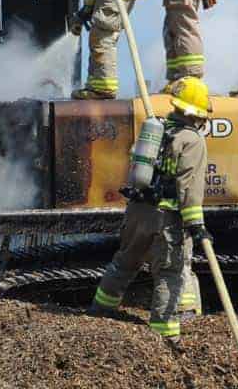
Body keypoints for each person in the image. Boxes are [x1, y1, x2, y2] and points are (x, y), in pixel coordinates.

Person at [90, 77, 212, 346]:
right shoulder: (192, 140)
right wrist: (196, 225)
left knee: (124, 262)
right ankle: (166, 333)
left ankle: (100, 311)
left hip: (136, 210)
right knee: (169, 272)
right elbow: (188, 187)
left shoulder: (157, 129)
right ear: (198, 112)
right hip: (165, 218)